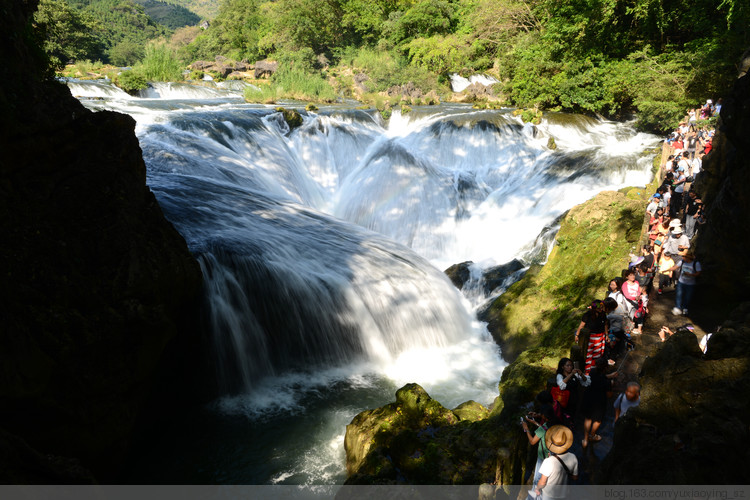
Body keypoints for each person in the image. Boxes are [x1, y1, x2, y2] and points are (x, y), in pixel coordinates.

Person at [581, 357, 618, 448]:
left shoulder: (592, 372)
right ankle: (592, 435)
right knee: (597, 420)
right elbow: (609, 395)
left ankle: (585, 439)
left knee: (588, 418)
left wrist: (610, 376)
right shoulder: (607, 382)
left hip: (589, 399)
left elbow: (600, 377)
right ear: (605, 368)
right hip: (599, 403)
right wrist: (611, 384)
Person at [533, 426, 579, 500]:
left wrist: (537, 489)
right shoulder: (573, 457)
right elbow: (575, 477)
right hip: (564, 493)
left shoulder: (548, 461)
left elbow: (542, 482)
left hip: (549, 495)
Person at [521, 405, 555, 489]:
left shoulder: (543, 428)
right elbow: (544, 429)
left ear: (544, 416)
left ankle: (535, 494)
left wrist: (526, 429)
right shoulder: (555, 423)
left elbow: (532, 441)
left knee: (537, 479)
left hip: (543, 456)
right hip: (553, 453)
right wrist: (534, 422)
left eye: (541, 414)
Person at [574, 300, 609, 374]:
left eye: (602, 308)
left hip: (600, 338)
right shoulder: (587, 315)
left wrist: (606, 335)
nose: (601, 309)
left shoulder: (603, 314)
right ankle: (587, 371)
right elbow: (581, 326)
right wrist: (577, 335)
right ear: (594, 308)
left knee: (598, 355)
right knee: (588, 355)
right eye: (599, 308)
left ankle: (596, 370)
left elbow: (605, 325)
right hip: (590, 339)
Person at [670, 251, 701, 315]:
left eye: (684, 257)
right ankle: (678, 307)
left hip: (690, 284)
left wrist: (690, 275)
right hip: (681, 282)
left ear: (688, 258)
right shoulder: (682, 262)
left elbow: (698, 273)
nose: (683, 257)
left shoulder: (696, 264)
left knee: (688, 296)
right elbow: (675, 267)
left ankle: (685, 308)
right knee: (679, 295)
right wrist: (666, 269)